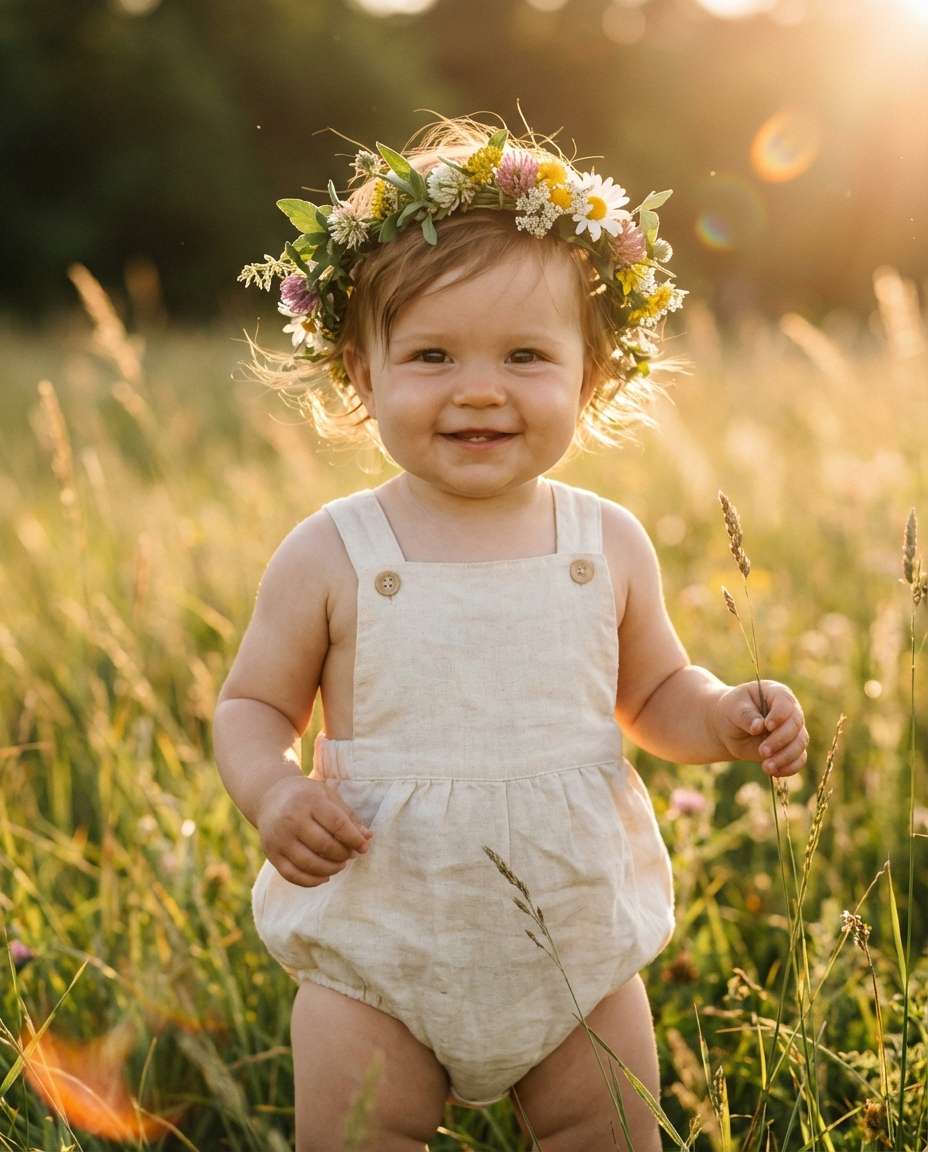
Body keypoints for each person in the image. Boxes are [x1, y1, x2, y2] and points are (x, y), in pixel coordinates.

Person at [214, 113, 808, 1152]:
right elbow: (253, 704)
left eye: (525, 356)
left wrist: (720, 716)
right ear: (362, 371)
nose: (479, 389)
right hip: (380, 941)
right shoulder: (336, 552)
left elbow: (653, 692)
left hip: (574, 947)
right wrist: (272, 790)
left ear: (590, 376)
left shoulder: (603, 542)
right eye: (432, 354)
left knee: (611, 1133)